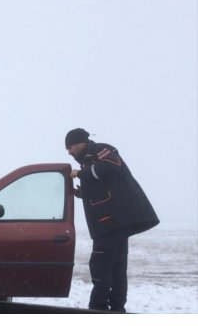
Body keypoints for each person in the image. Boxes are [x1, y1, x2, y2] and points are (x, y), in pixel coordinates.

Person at [65, 128, 159, 312]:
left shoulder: (102, 150)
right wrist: (82, 193)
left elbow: (110, 168)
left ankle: (98, 309)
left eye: (70, 146)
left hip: (110, 223)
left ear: (80, 142)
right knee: (116, 268)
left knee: (101, 266)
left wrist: (81, 174)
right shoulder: (88, 161)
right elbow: (104, 187)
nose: (69, 151)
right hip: (112, 223)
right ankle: (117, 309)